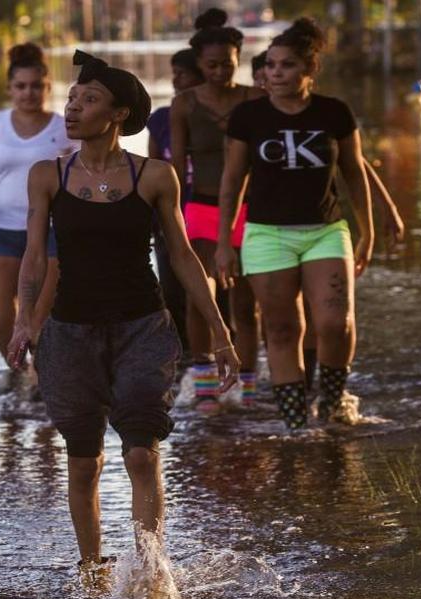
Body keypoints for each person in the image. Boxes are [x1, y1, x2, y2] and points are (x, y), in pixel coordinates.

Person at [7, 51, 240, 591]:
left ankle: (151, 572)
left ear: (117, 114)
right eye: (70, 99)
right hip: (69, 332)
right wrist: (24, 321)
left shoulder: (154, 177)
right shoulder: (48, 175)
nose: (72, 108)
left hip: (142, 328)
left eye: (87, 100)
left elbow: (182, 256)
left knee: (140, 451)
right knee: (84, 462)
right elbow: (36, 257)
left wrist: (222, 334)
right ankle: (92, 572)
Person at [216, 18, 372, 429]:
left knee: (334, 323)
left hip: (325, 230)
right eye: (270, 65)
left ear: (308, 70)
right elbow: (233, 181)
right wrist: (223, 242)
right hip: (266, 234)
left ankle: (335, 404)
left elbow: (355, 173)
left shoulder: (333, 113)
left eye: (285, 65)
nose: (275, 73)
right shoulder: (248, 117)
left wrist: (367, 230)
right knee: (283, 329)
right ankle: (296, 424)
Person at [170, 8, 266, 413]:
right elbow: (175, 168)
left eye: (227, 64)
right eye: (210, 65)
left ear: (238, 59)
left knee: (246, 301)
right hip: (201, 207)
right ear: (199, 64)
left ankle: (247, 386)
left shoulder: (255, 99)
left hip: (250, 209)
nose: (219, 71)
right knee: (199, 296)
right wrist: (167, 216)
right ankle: (206, 383)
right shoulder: (184, 104)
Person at [0, 43, 75, 365]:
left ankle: (44, 387)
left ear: (48, 87)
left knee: (39, 321)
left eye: (36, 86)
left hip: (51, 234)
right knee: (1, 323)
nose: (28, 93)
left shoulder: (66, 128)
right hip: (0, 231)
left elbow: (77, 181)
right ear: (9, 88)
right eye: (20, 86)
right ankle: (19, 375)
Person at [147, 49, 204, 357]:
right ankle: (183, 357)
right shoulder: (160, 120)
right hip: (170, 218)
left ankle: (214, 350)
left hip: (207, 214)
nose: (175, 81)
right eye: (174, 73)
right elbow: (153, 167)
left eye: (182, 74)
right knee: (171, 289)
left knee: (212, 292)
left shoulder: (215, 117)